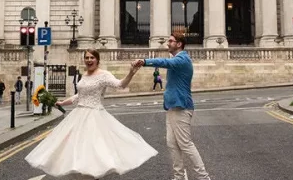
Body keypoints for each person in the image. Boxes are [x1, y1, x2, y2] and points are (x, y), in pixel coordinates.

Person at [25, 49, 157, 179]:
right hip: (78, 115)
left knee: (93, 150)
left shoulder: (103, 75)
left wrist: (131, 73)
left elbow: (120, 85)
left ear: (97, 60)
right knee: (76, 150)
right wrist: (62, 102)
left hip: (94, 115)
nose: (89, 60)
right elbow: (79, 95)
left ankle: (92, 176)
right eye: (87, 58)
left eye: (92, 58)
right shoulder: (84, 75)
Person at [133, 32, 211, 180]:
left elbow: (165, 63)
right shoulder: (178, 58)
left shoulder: (182, 59)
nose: (167, 43)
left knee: (185, 144)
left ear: (179, 44)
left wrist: (144, 61)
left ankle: (203, 177)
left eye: (171, 41)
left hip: (181, 107)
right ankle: (179, 176)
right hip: (172, 107)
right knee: (172, 144)